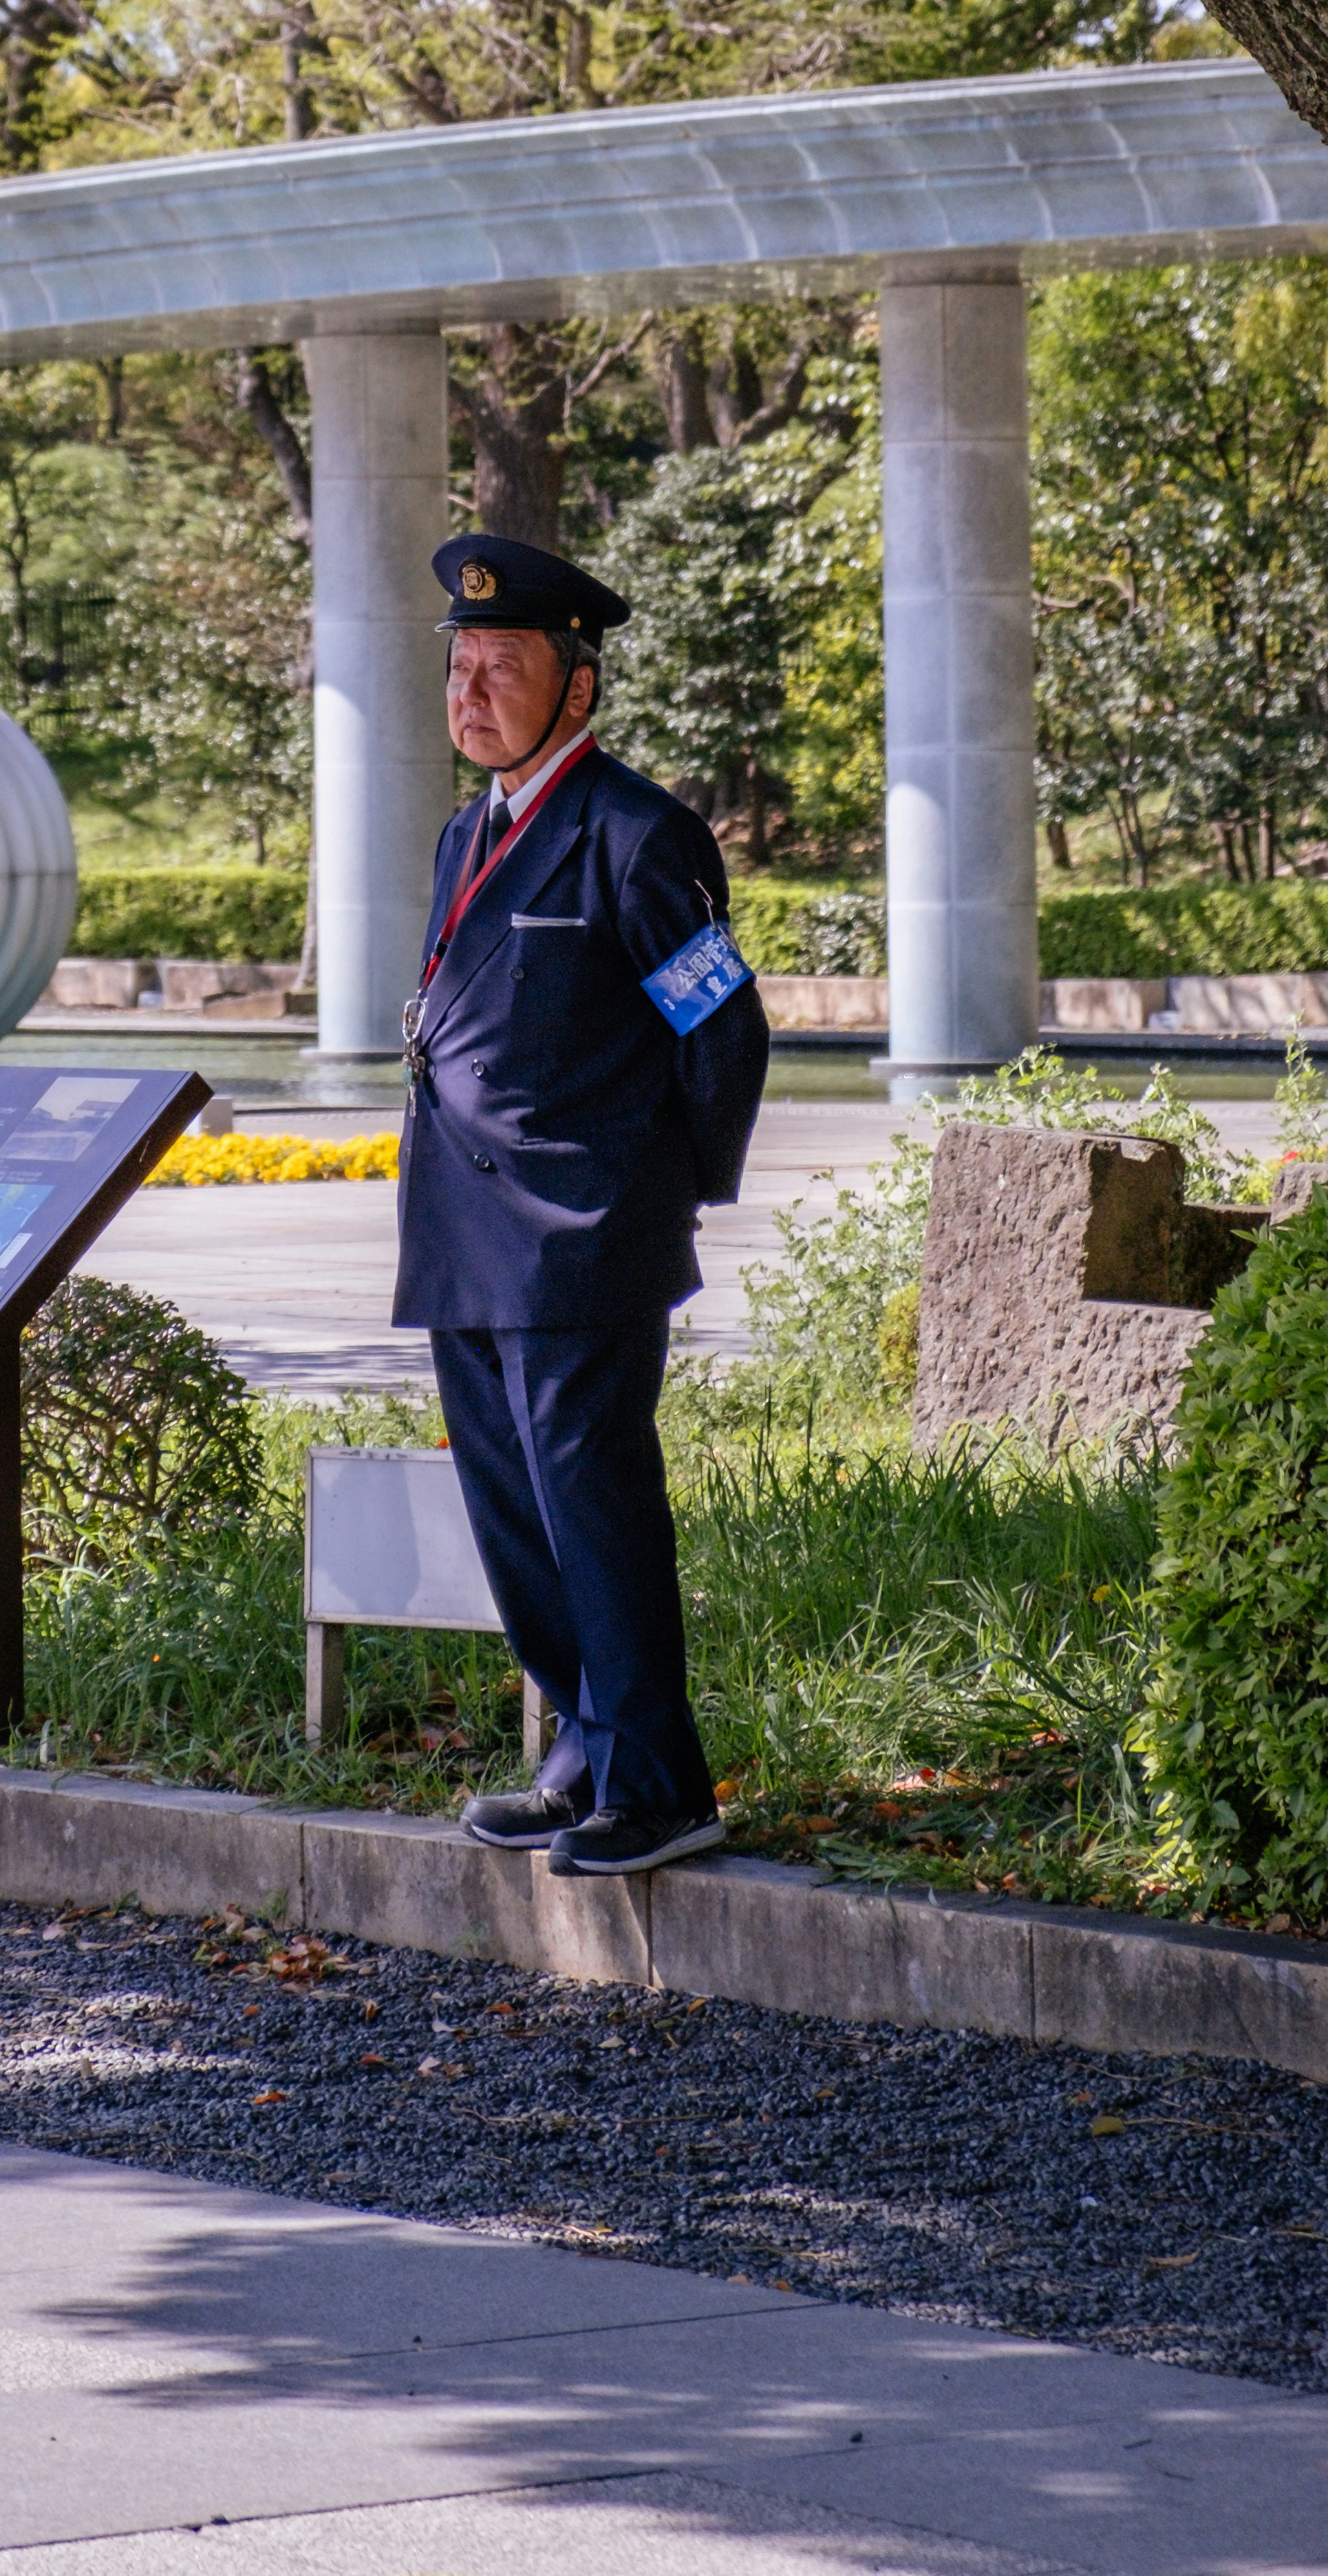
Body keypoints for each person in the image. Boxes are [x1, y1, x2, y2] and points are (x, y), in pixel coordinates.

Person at [394, 529, 769, 1879]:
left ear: (579, 686)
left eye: (505, 662)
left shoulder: (636, 833)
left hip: (581, 1238)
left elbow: (719, 1028)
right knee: (515, 1514)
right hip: (462, 1232)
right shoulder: (467, 829)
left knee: (594, 1503)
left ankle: (659, 1783)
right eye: (461, 662)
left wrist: (662, 1197)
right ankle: (578, 1758)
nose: (474, 687)